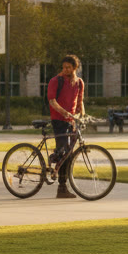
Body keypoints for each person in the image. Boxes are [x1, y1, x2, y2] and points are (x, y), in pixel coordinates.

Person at [47, 55, 85, 199]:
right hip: (58, 120)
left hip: (71, 122)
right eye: (63, 67)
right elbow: (52, 101)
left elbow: (80, 102)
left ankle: (57, 162)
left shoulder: (80, 83)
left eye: (68, 67)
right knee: (64, 153)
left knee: (68, 153)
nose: (65, 70)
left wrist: (82, 116)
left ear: (75, 68)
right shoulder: (56, 81)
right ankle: (62, 188)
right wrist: (65, 113)